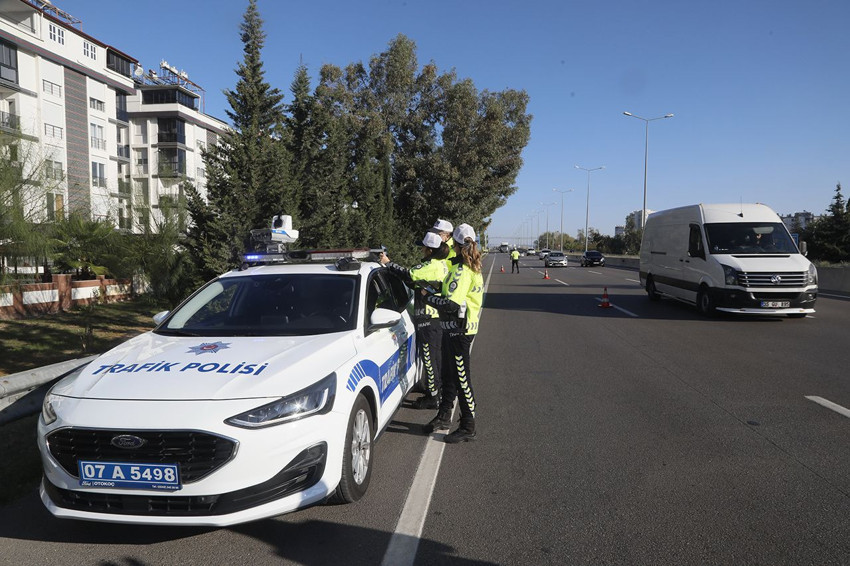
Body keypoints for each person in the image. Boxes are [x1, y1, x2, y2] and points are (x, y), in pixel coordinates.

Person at [423, 223, 484, 443]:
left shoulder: (463, 270)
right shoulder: (466, 266)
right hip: (455, 329)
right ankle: (444, 416)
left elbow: (450, 304)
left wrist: (427, 297)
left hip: (460, 330)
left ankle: (468, 425)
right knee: (450, 375)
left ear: (455, 244)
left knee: (462, 378)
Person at [380, 230, 450, 409]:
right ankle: (437, 392)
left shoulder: (431, 265)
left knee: (430, 359)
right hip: (435, 318)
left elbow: (409, 274)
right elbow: (415, 282)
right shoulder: (440, 264)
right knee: (436, 358)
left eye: (423, 248)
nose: (421, 250)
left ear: (429, 249)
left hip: (428, 318)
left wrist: (388, 264)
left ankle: (432, 397)